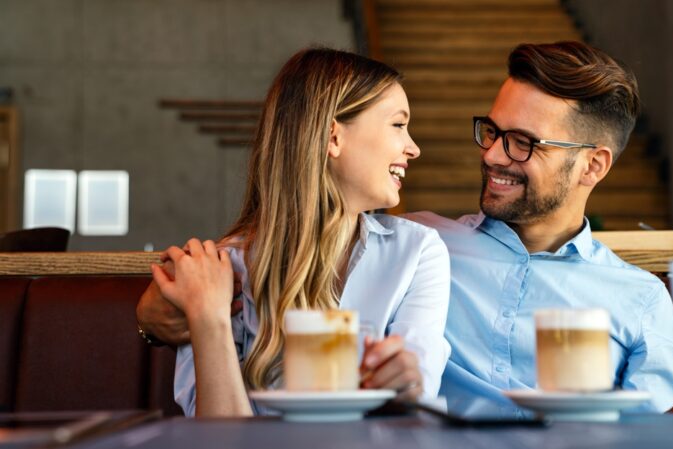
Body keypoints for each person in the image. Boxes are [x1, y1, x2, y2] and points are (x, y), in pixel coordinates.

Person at [142, 48, 451, 417]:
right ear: (332, 137)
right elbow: (219, 441)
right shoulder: (226, 268)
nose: (413, 148)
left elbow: (418, 402)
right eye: (398, 125)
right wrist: (209, 320)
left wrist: (408, 383)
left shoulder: (417, 252)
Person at [406, 41, 673, 413]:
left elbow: (655, 435)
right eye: (491, 131)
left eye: (523, 143)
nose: (491, 155)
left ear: (593, 166)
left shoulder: (641, 298)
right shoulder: (423, 246)